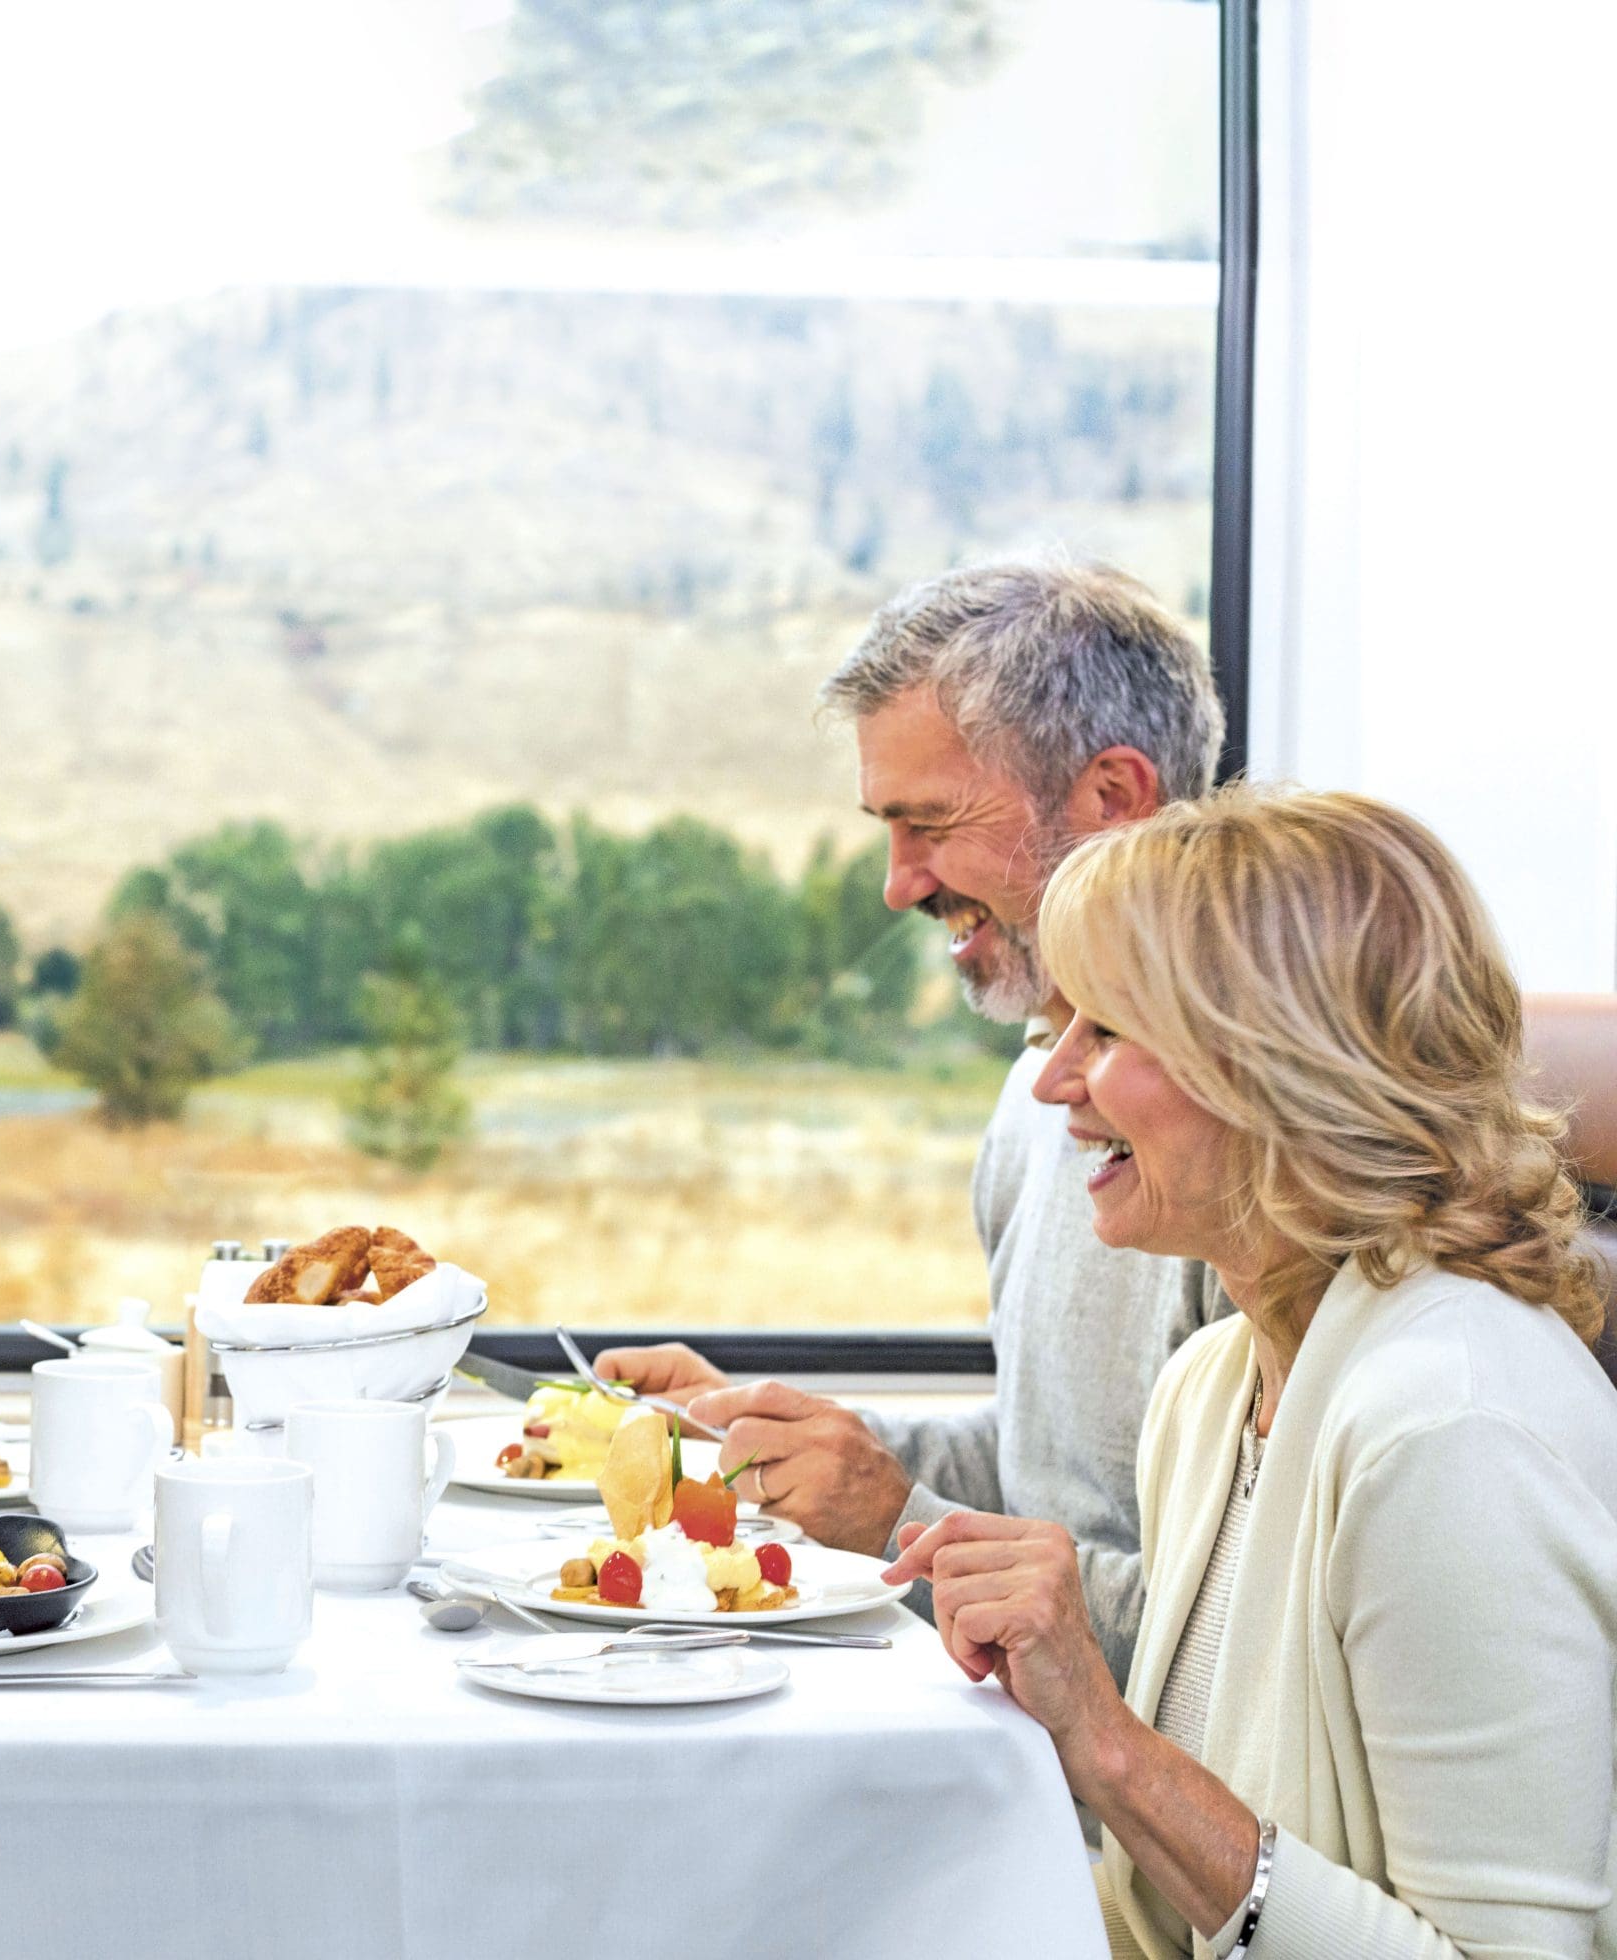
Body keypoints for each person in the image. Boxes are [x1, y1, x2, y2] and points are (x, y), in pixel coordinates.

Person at [886, 787, 1617, 1956]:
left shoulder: (1447, 1429)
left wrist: (1108, 1746)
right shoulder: (1210, 1389)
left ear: (1275, 1072)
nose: (1051, 1081)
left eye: (1103, 1032)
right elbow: (1172, 1922)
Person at [601, 560, 1229, 1682]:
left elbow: (1235, 1642)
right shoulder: (1037, 1089)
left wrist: (900, 1521)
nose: (897, 885)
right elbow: (1048, 1468)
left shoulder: (1238, 1146)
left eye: (928, 822)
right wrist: (793, 1449)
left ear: (1112, 799)